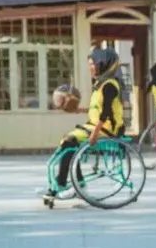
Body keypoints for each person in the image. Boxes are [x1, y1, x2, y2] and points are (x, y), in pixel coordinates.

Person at [48, 46, 126, 198]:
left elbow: (106, 113)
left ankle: (64, 183)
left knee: (70, 142)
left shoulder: (109, 85)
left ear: (103, 64)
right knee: (68, 142)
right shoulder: (101, 85)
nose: (90, 67)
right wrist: (79, 110)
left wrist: (95, 133)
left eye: (92, 64)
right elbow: (98, 109)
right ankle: (77, 184)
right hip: (99, 126)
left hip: (107, 129)